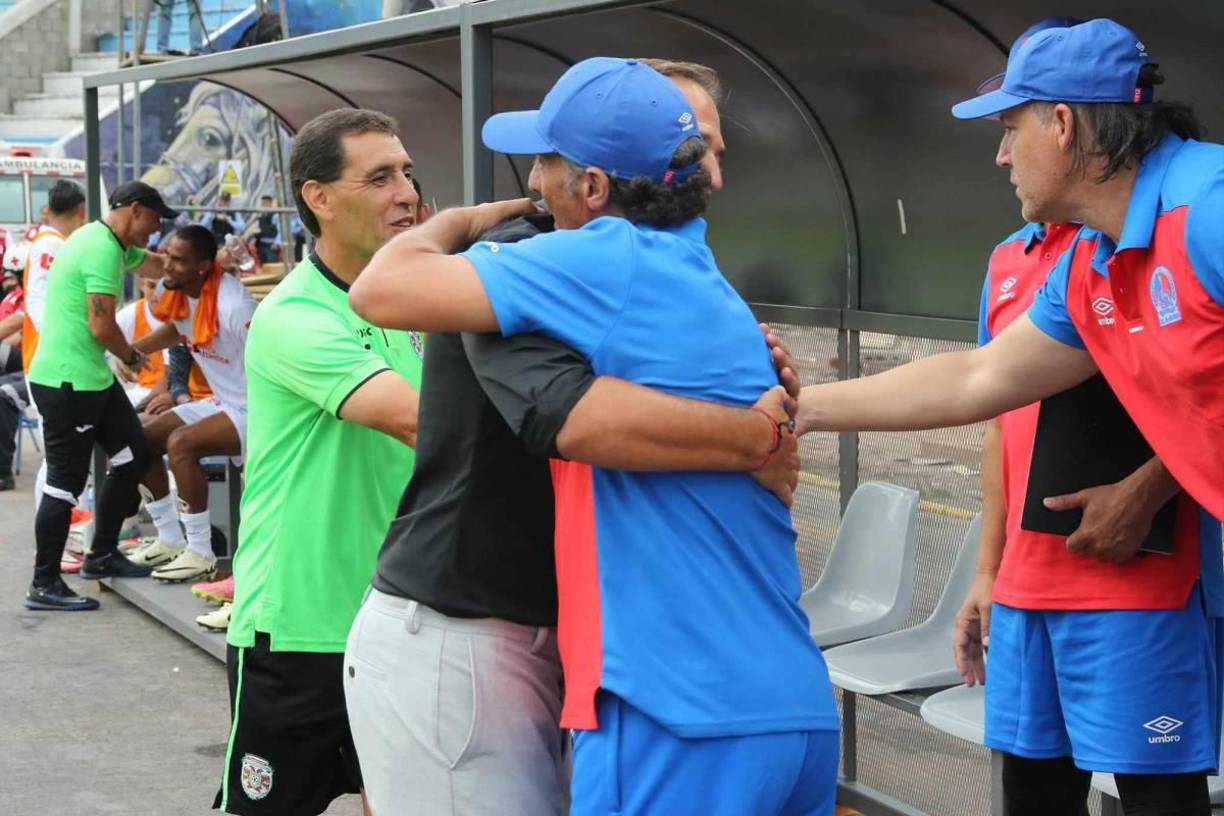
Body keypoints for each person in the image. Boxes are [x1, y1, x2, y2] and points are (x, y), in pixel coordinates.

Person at [350, 58, 837, 816]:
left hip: (674, 709)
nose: (534, 180)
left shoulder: (597, 259)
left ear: (594, 188)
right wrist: (754, 438)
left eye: (548, 161)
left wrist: (454, 221)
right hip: (791, 705)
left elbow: (380, 290)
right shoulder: (716, 291)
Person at [797, 19, 1223, 814]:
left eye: (1008, 128)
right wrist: (798, 409)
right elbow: (979, 379)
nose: (1000, 155)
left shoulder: (1208, 208)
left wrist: (1150, 486)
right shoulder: (1094, 261)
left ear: (1062, 125)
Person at [214, 109, 425, 816]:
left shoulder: (412, 308)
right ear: (320, 198)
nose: (407, 192)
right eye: (379, 177)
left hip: (393, 624)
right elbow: (424, 423)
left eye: (406, 172)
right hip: (298, 632)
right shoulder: (298, 316)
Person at [24, 181, 175, 611]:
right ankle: (44, 583)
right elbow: (101, 325)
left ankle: (102, 553)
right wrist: (131, 356)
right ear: (134, 211)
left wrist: (197, 266)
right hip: (68, 383)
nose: (156, 227)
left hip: (92, 379)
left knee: (132, 453)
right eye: (154, 218)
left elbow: (151, 263)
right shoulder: (101, 251)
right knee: (63, 484)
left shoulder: (105, 238)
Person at [123, 225, 256, 584]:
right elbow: (180, 329)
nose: (167, 267)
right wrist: (135, 351)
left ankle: (201, 553)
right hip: (223, 401)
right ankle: (169, 538)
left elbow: (271, 353)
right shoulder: (180, 292)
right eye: (167, 256)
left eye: (178, 261)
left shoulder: (234, 305)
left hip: (257, 407)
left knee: (180, 444)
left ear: (202, 266)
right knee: (136, 437)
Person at [113, 277, 170, 408]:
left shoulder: (183, 314)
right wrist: (120, 355)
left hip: (178, 393)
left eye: (164, 287)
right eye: (152, 286)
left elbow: (171, 375)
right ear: (142, 284)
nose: (157, 293)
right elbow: (102, 338)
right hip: (142, 391)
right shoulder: (129, 315)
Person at [252, 194, 279, 264]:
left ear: (270, 203)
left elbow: (280, 231)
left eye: (266, 203)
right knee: (263, 266)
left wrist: (276, 243)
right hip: (261, 245)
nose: (264, 205)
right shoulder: (260, 216)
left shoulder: (275, 215)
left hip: (271, 246)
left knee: (271, 266)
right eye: (263, 203)